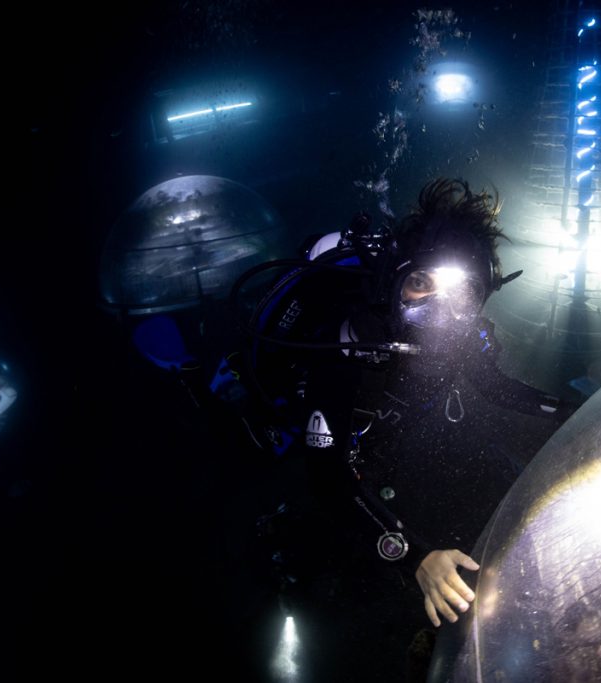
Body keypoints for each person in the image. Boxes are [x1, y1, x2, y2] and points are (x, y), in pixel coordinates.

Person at [223, 178, 578, 631]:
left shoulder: (461, 335)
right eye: (419, 283)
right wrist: (416, 556)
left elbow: (495, 388)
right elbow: (328, 476)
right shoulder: (353, 339)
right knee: (309, 520)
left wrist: (568, 409)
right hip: (314, 426)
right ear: (394, 281)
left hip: (380, 436)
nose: (435, 306)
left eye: (460, 292)